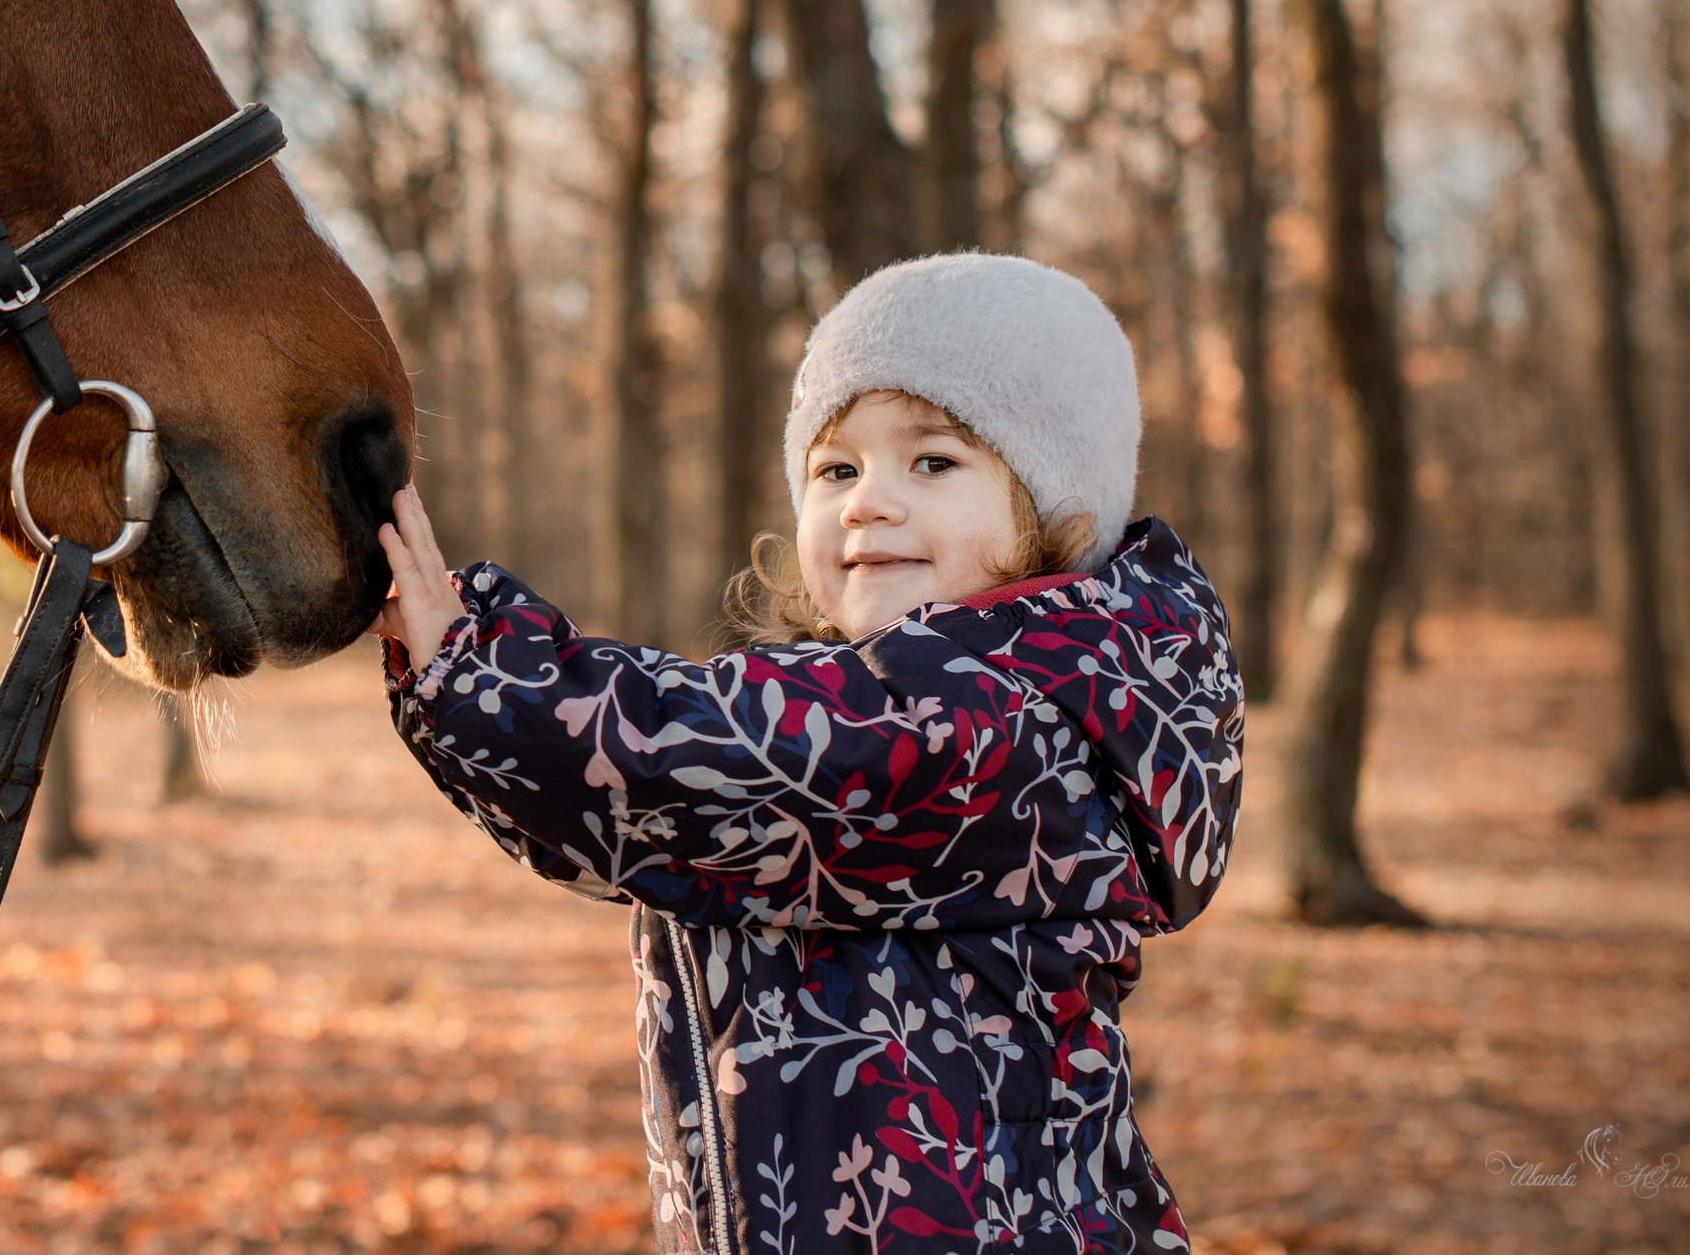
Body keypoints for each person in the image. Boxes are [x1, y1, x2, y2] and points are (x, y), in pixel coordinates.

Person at [374, 252, 1243, 1254]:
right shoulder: (890, 699)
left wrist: (477, 666)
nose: (867, 501)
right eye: (837, 468)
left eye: (933, 461)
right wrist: (454, 693)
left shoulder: (999, 718)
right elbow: (624, 834)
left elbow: (682, 764)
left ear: (1061, 512)